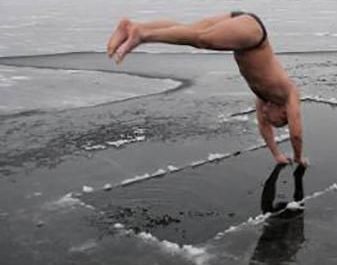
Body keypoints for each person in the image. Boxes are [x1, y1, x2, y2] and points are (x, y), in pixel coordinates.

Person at [106, 11, 306, 166]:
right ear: (283, 113)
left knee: (191, 30)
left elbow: (264, 128)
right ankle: (141, 35)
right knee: (202, 39)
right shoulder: (289, 94)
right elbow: (296, 134)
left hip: (242, 30)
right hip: (253, 35)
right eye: (275, 120)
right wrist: (298, 158)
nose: (264, 114)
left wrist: (277, 155)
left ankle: (132, 27)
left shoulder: (264, 97)